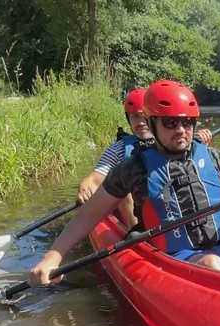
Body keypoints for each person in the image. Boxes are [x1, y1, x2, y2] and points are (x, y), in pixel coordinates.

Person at [30, 79, 220, 287]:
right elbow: (89, 214)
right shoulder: (133, 167)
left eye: (188, 122)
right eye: (170, 123)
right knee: (213, 265)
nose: (181, 130)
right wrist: (54, 256)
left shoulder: (215, 157)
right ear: (152, 124)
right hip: (176, 258)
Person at [77, 87, 212, 227]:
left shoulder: (172, 142)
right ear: (128, 118)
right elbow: (95, 179)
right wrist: (86, 186)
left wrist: (200, 145)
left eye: (143, 116)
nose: (141, 122)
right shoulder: (118, 149)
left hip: (168, 204)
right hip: (138, 213)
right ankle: (136, 234)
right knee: (128, 189)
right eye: (135, 116)